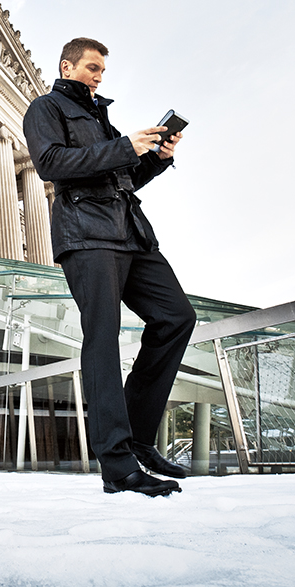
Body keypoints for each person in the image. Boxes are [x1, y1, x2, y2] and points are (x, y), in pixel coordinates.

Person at [23, 37, 196, 497]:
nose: (100, 76)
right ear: (68, 65)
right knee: (103, 336)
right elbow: (52, 163)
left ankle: (137, 439)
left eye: (103, 70)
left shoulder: (101, 117)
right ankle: (118, 465)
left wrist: (155, 160)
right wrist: (123, 147)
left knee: (177, 317)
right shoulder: (45, 107)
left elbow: (121, 177)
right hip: (85, 233)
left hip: (131, 234)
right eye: (93, 68)